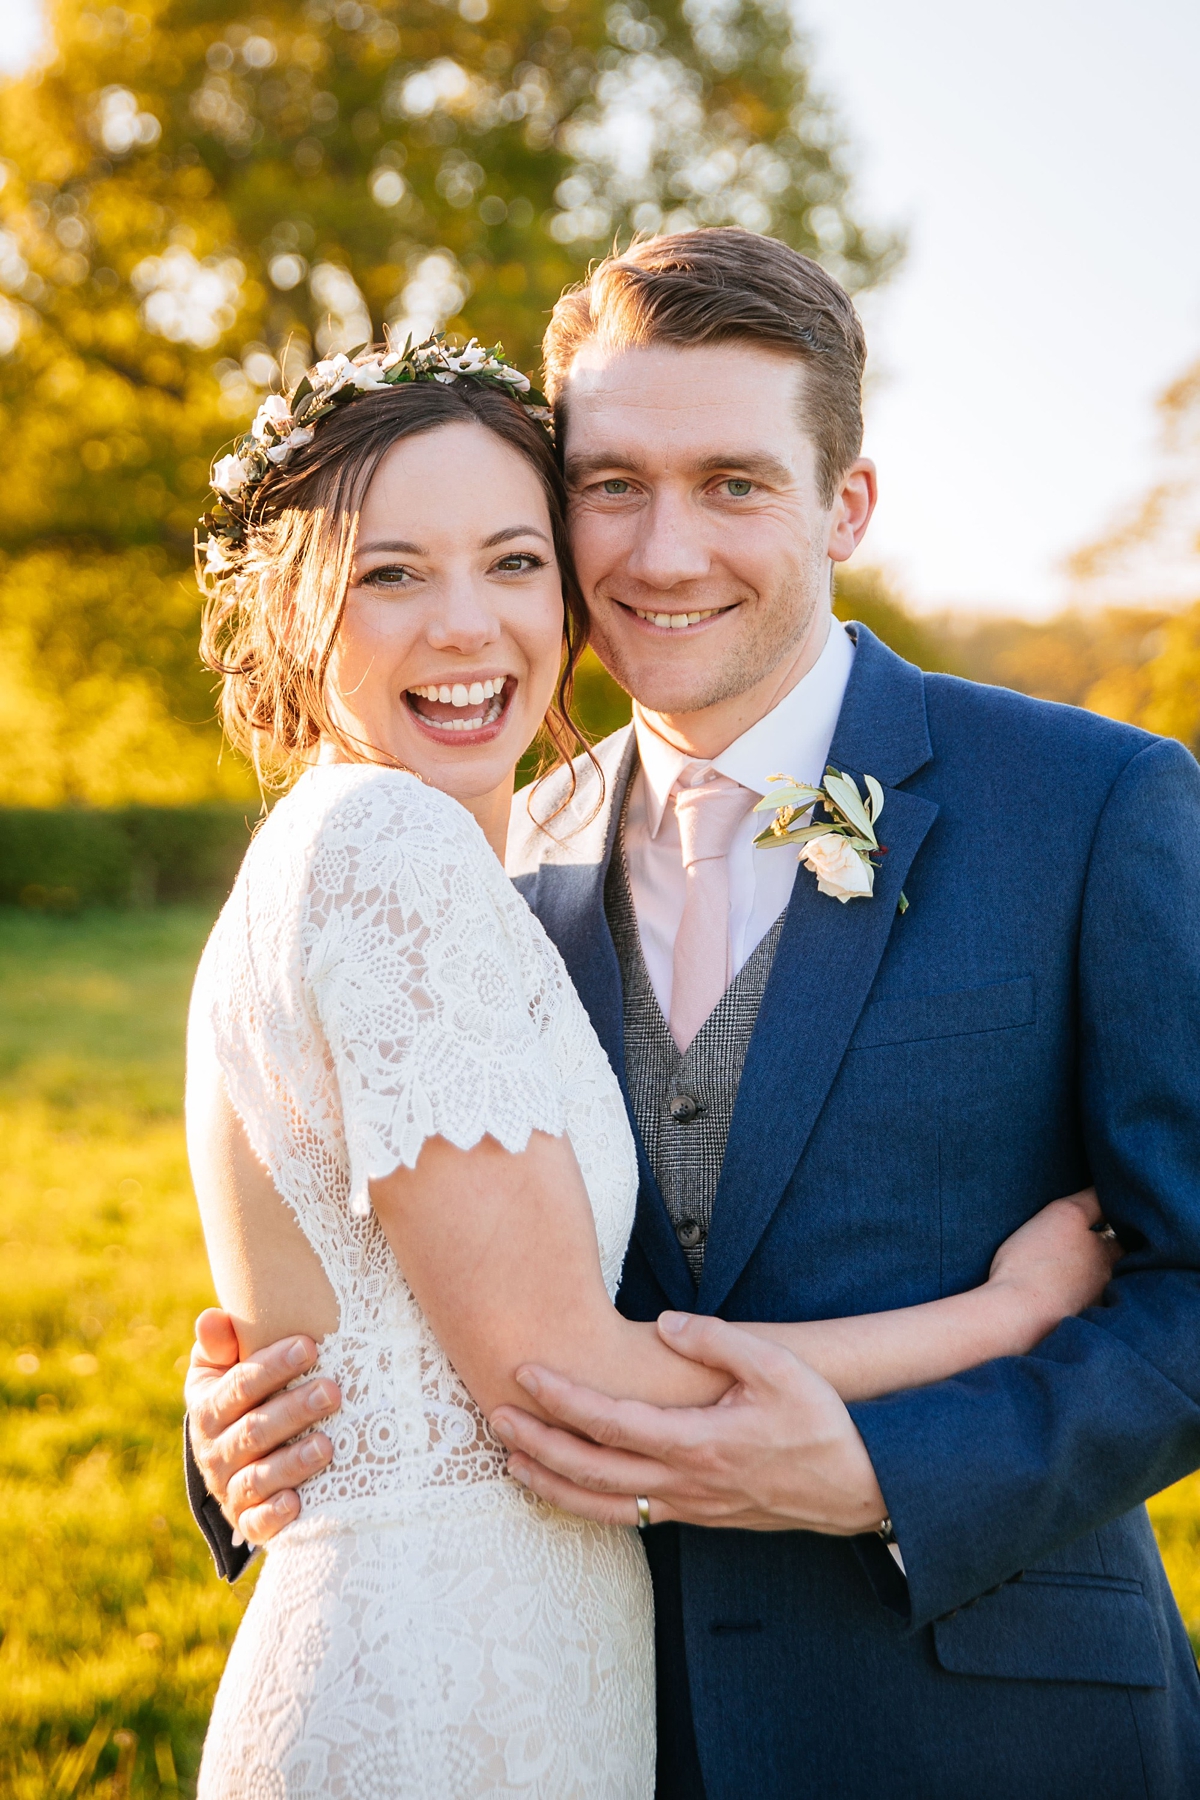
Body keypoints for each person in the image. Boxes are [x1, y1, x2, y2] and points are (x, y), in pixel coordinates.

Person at [185, 234, 1200, 1799]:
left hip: (991, 1720)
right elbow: (434, 1272)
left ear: (844, 504)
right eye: (612, 485)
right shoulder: (482, 842)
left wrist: (887, 1474)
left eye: (734, 482)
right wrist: (262, 1422)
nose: (662, 555)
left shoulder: (1092, 801)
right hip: (596, 1720)